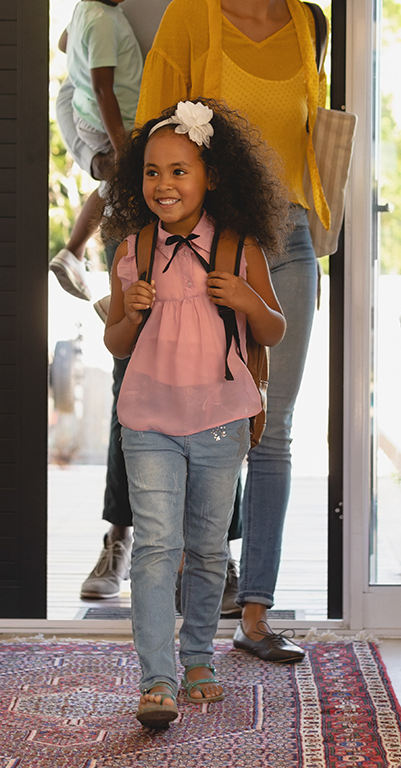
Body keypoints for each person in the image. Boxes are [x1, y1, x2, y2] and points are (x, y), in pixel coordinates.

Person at [135, 0, 346, 663]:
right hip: (205, 246)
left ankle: (254, 612)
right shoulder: (190, 18)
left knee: (273, 427)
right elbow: (154, 135)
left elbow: (305, 136)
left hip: (288, 242)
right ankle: (192, 601)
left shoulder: (309, 24)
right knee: (202, 419)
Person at [53, 0, 243, 609]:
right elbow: (70, 86)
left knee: (221, 374)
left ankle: (215, 556)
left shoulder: (239, 3)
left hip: (214, 220)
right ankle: (120, 537)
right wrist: (95, 160)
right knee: (134, 371)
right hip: (136, 212)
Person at [102, 99, 288, 727]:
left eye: (179, 171)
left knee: (207, 549)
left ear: (212, 176)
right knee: (158, 546)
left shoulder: (238, 249)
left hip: (219, 420)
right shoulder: (132, 251)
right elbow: (115, 343)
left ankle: (198, 657)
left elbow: (274, 329)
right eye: (152, 172)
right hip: (149, 420)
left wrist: (247, 300)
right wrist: (130, 311)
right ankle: (157, 677)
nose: (164, 184)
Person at [48, 0, 143, 301]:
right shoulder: (103, 20)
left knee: (111, 190)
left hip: (94, 119)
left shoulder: (88, 10)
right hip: (111, 123)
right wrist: (123, 146)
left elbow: (64, 44)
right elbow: (104, 90)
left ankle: (74, 253)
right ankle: (112, 289)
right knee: (128, 199)